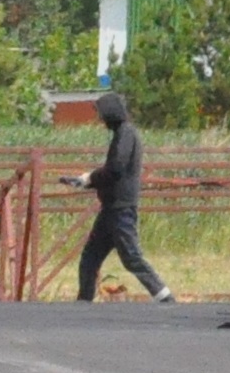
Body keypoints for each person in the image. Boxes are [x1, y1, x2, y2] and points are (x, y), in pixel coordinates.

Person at [66, 88, 174, 303]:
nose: (101, 119)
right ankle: (83, 302)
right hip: (111, 209)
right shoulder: (123, 133)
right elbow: (113, 172)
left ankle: (165, 297)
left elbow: (115, 168)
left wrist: (90, 178)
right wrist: (88, 181)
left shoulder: (125, 133)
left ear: (111, 114)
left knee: (131, 258)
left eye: (102, 114)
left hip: (120, 209)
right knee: (90, 257)